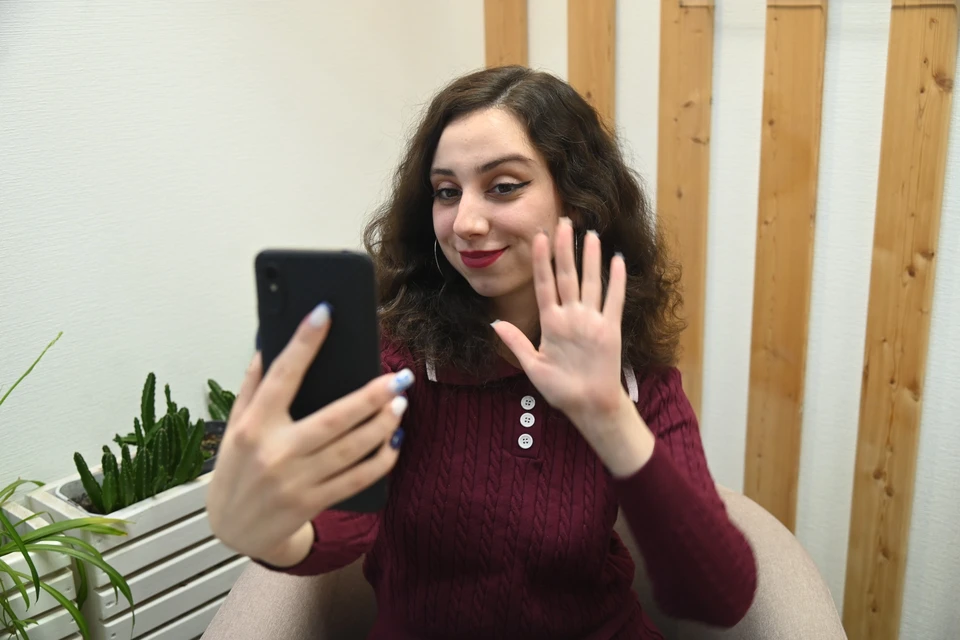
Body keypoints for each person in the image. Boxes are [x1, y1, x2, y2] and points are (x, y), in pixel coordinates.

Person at [206, 65, 757, 639]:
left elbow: (719, 595)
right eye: (447, 192)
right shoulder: (399, 363)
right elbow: (336, 528)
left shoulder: (635, 374)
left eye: (504, 186)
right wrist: (268, 531)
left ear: (577, 200)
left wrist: (608, 415)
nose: (465, 223)